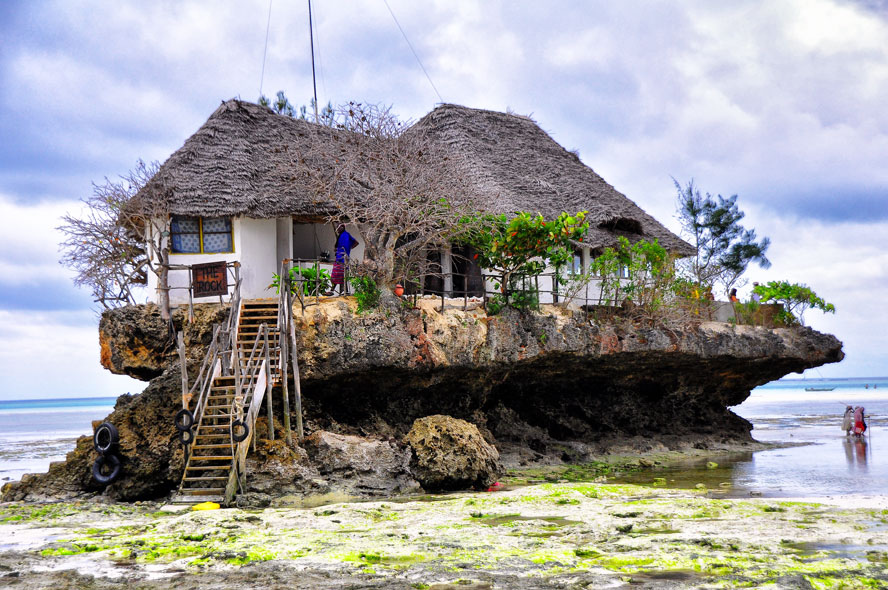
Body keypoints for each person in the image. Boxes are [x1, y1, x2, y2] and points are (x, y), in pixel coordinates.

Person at [331, 224, 359, 295]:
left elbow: (356, 243)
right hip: (339, 257)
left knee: (338, 274)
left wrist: (349, 248)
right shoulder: (341, 235)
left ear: (342, 228)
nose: (338, 230)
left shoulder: (346, 235)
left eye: (339, 228)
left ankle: (332, 290)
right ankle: (341, 291)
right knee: (340, 275)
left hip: (343, 258)